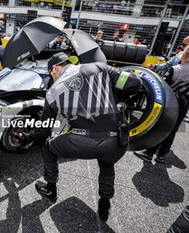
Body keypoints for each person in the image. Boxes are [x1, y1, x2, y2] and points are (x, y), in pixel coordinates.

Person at [21, 52, 141, 221]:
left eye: (50, 74)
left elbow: (44, 129)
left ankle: (51, 189)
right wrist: (118, 97)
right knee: (107, 163)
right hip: (115, 142)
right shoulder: (99, 67)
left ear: (54, 68)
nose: (52, 77)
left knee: (49, 146)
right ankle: (104, 204)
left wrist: (27, 137)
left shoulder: (53, 91)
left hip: (82, 142)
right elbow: (135, 83)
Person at [134, 46, 189, 163]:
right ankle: (161, 155)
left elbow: (164, 87)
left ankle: (149, 154)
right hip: (184, 104)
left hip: (171, 102)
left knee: (162, 127)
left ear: (184, 55)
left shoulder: (176, 69)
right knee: (173, 130)